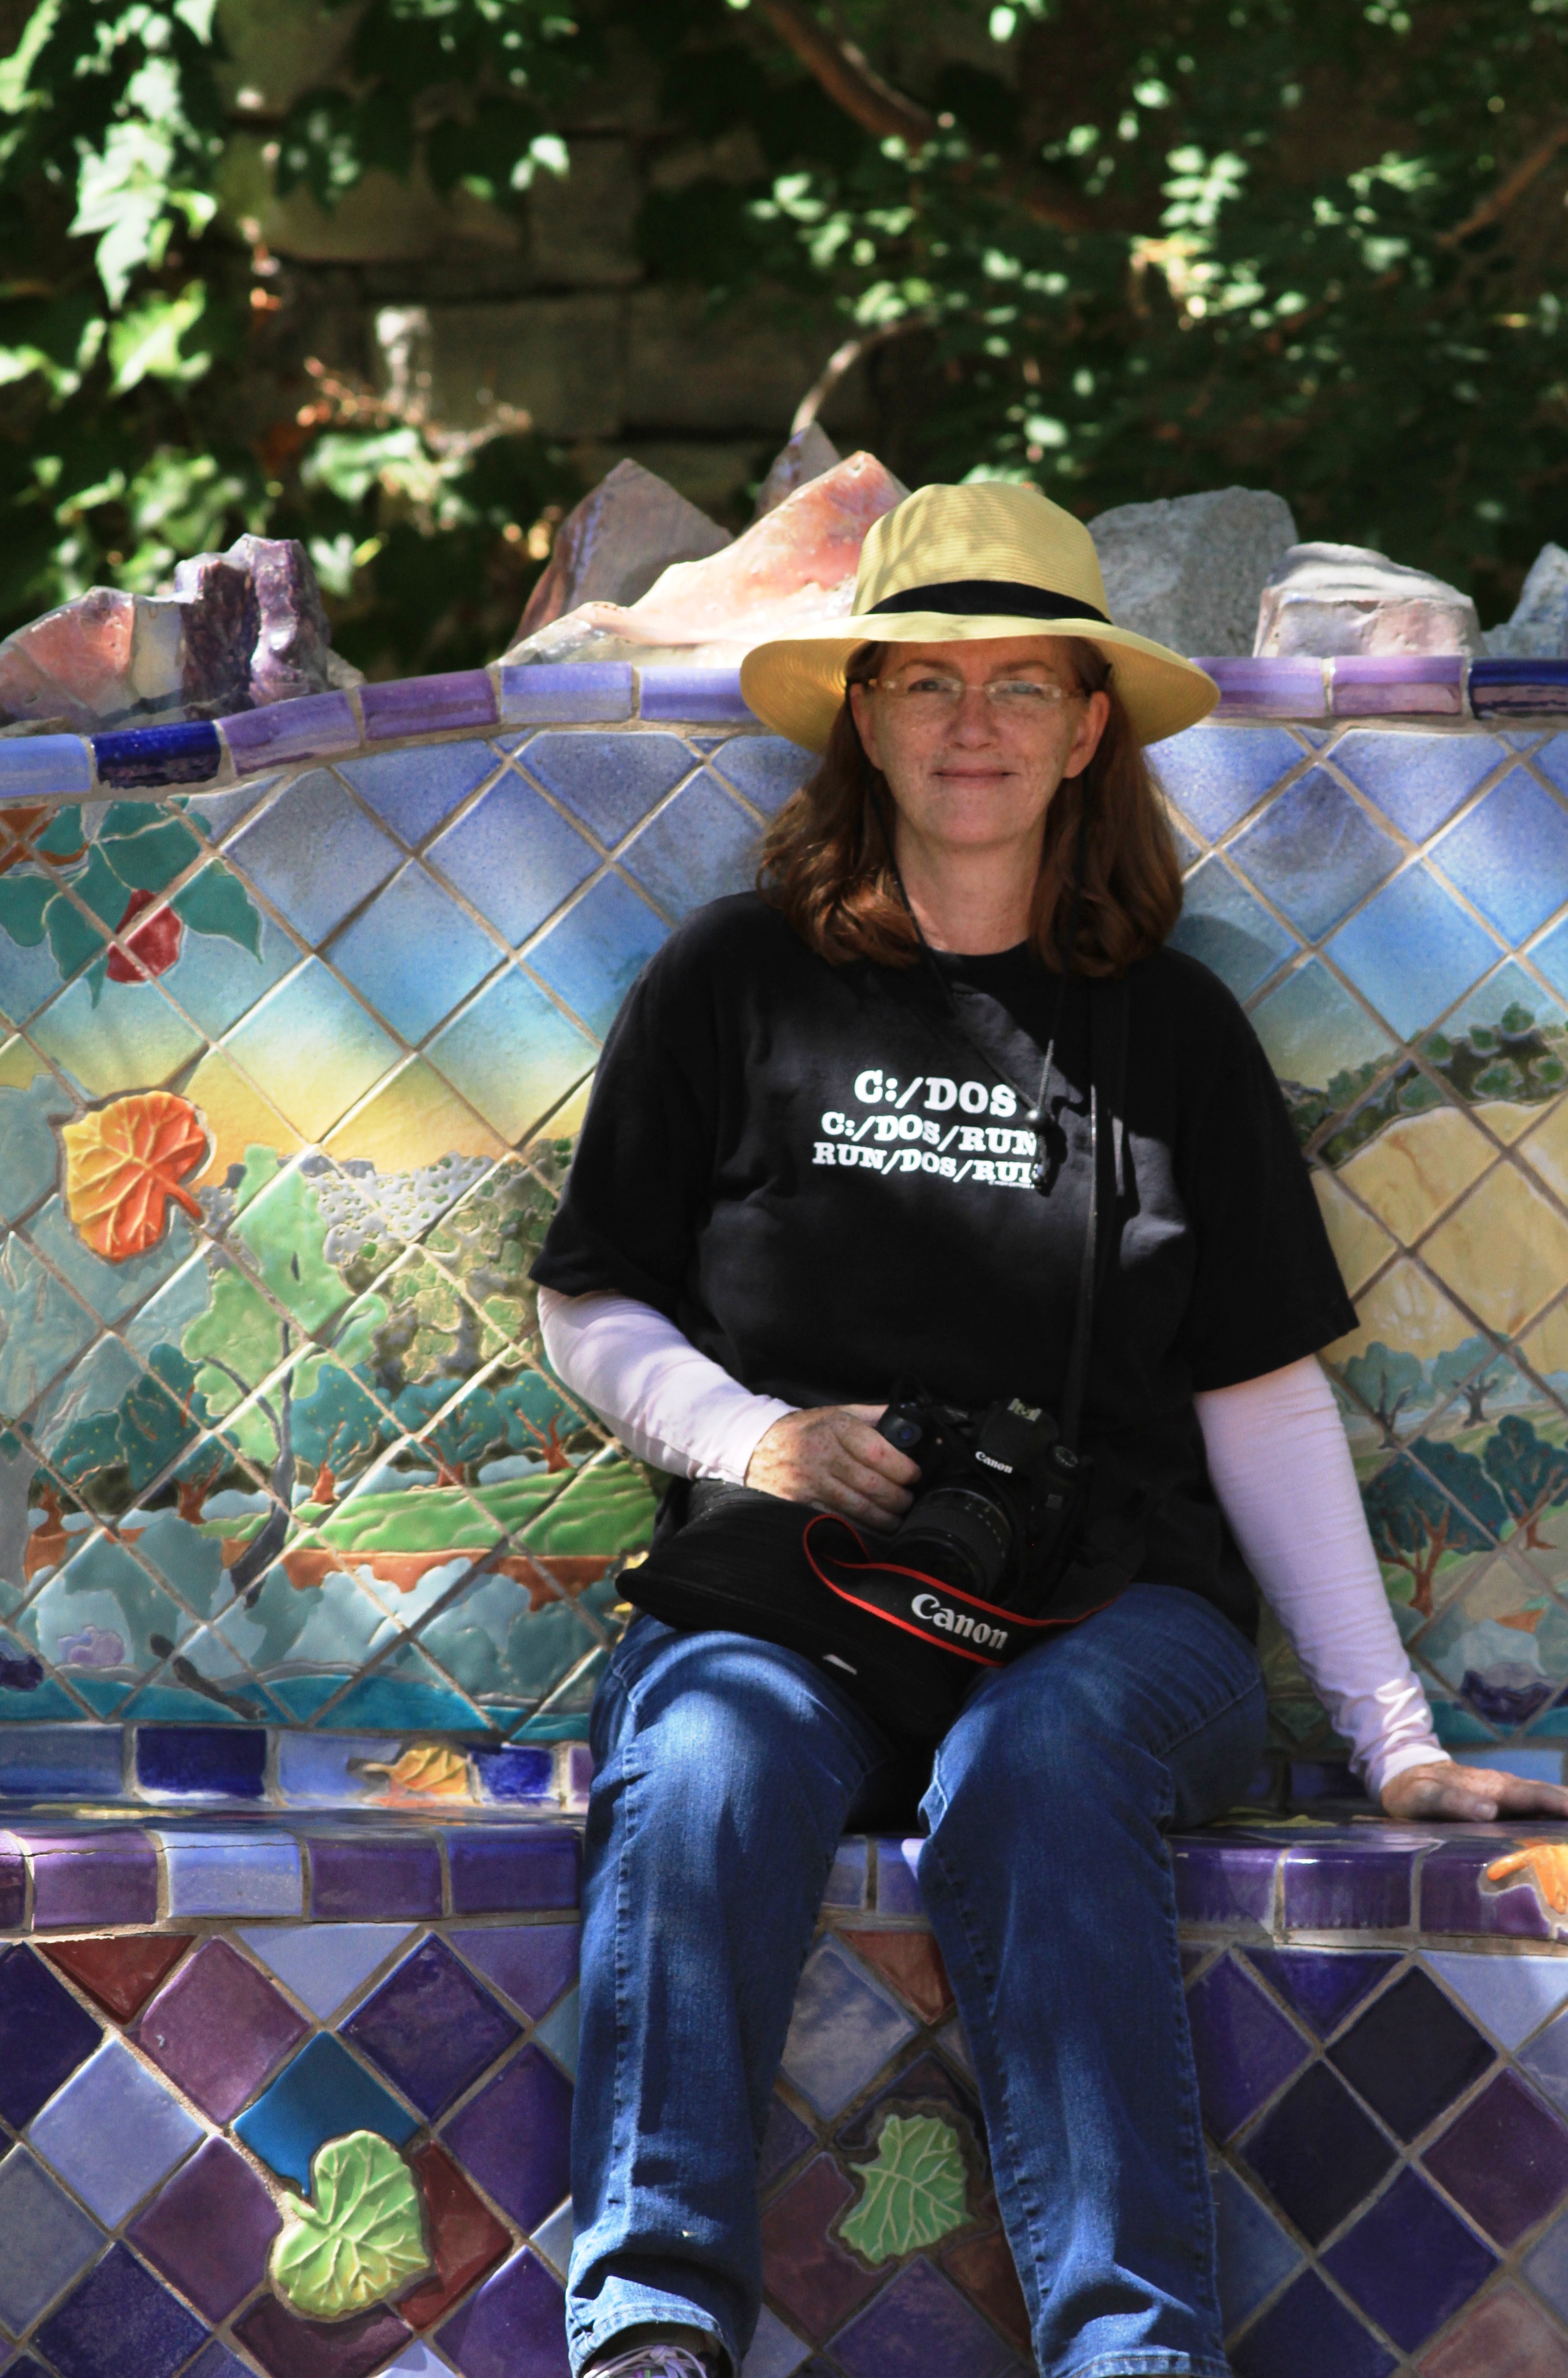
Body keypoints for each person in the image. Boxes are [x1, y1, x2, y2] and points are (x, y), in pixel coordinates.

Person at [531, 483, 1568, 2378]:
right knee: (703, 1754)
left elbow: (1259, 1391)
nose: (975, 723)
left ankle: (1131, 2350)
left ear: (1090, 727)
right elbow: (587, 1298)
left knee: (1039, 1757)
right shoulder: (732, 985)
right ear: (865, 715)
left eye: (1024, 683)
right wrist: (760, 1442)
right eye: (929, 680)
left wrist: (1396, 1740)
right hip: (798, 1588)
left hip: (1115, 1620)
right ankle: (654, 2329)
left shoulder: (1174, 1032)